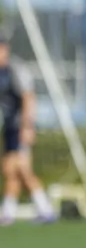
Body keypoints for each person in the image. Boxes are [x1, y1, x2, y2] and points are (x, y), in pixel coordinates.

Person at [0, 35, 56, 226]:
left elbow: (28, 98)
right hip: (9, 126)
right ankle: (8, 212)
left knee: (21, 168)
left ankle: (45, 209)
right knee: (11, 170)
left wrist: (27, 127)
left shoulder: (15, 69)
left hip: (21, 126)